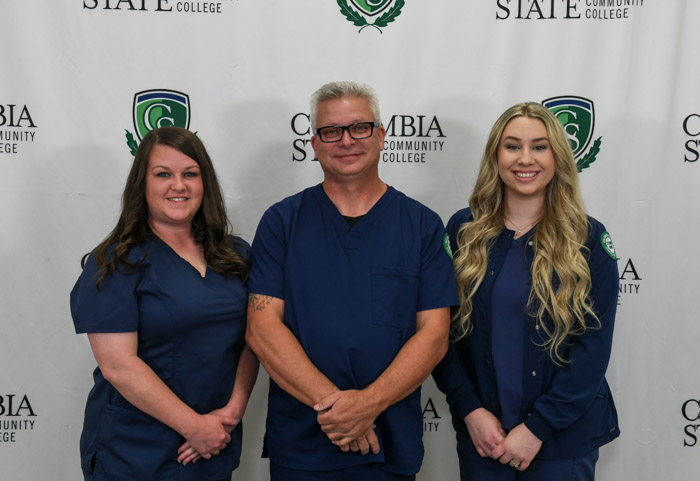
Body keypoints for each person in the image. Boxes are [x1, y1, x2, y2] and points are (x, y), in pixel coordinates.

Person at [245, 81, 459, 481]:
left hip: (388, 443)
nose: (346, 141)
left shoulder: (422, 226)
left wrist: (369, 405)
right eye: (331, 131)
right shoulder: (282, 223)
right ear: (314, 143)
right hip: (303, 444)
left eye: (359, 128)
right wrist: (339, 409)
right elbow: (262, 328)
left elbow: (434, 335)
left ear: (380, 137)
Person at [433, 102, 620, 481]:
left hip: (562, 441)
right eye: (512, 145)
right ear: (495, 156)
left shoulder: (588, 240)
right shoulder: (462, 230)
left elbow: (592, 351)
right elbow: (441, 335)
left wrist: (538, 427)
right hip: (484, 437)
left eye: (539, 146)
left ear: (557, 157)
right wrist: (470, 408)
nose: (525, 158)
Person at [70, 127, 258, 481]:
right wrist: (193, 426)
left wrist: (232, 412)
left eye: (190, 173)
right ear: (142, 184)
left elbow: (254, 338)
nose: (179, 185)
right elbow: (118, 366)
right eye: (163, 174)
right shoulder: (117, 262)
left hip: (215, 441)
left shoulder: (235, 256)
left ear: (206, 183)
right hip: (136, 451)